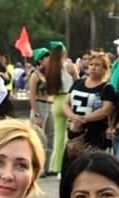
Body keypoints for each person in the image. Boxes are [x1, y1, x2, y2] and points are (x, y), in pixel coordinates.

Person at [62, 49, 115, 167]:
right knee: (71, 165)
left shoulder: (107, 88)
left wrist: (84, 119)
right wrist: (73, 116)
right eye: (91, 64)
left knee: (90, 166)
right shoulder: (78, 83)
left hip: (94, 134)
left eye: (97, 65)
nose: (93, 67)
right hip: (74, 131)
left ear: (105, 69)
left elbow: (106, 110)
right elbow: (66, 103)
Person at [44, 42, 79, 176]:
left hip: (56, 102)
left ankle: (58, 168)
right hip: (70, 101)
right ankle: (71, 164)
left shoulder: (50, 69)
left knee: (58, 137)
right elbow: (78, 83)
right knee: (73, 136)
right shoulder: (70, 66)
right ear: (64, 53)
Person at [27, 48, 53, 163]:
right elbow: (31, 95)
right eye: (47, 58)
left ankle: (48, 165)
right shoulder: (35, 75)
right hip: (39, 105)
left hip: (51, 105)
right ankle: (40, 166)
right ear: (40, 61)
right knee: (39, 137)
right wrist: (36, 114)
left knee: (51, 136)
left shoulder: (52, 74)